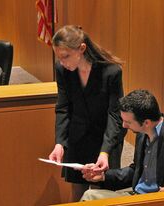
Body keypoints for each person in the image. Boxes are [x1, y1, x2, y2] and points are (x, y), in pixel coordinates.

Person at [48, 25, 126, 201]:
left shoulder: (111, 71)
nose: (62, 62)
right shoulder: (62, 70)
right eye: (58, 57)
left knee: (102, 193)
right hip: (78, 136)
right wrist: (60, 143)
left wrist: (105, 151)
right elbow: (63, 107)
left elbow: (115, 115)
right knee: (78, 194)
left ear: (81, 49)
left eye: (65, 56)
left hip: (107, 136)